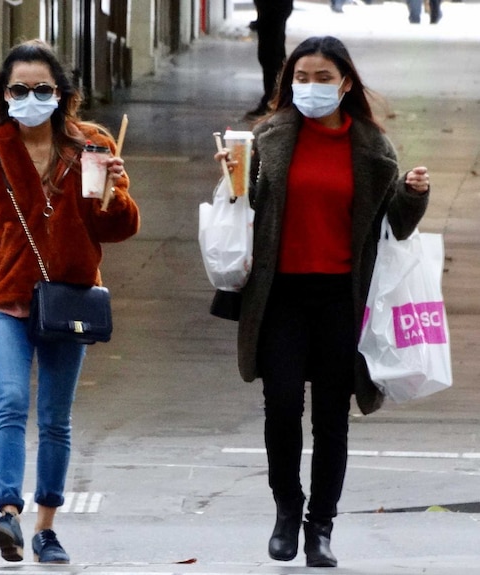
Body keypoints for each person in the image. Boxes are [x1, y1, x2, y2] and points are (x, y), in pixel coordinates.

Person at [215, 36, 430, 567]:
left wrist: (414, 194)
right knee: (282, 406)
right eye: (301, 78)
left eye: (323, 78)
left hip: (342, 297)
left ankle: (321, 527)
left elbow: (395, 224)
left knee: (332, 416)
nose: (310, 87)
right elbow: (242, 206)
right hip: (280, 294)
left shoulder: (373, 148)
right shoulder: (268, 138)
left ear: (347, 83)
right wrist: (232, 175)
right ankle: (288, 509)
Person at [0, 39, 140, 564]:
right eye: (20, 89)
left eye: (43, 88)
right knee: (11, 401)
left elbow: (116, 229)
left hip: (69, 299)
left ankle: (47, 527)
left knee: (55, 417)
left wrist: (117, 193)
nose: (31, 97)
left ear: (62, 92)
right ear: (3, 95)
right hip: (3, 297)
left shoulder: (91, 146)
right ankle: (8, 513)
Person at [246, 0, 294, 120]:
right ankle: (274, 98)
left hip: (272, 14)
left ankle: (273, 100)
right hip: (270, 15)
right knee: (272, 57)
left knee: (271, 58)